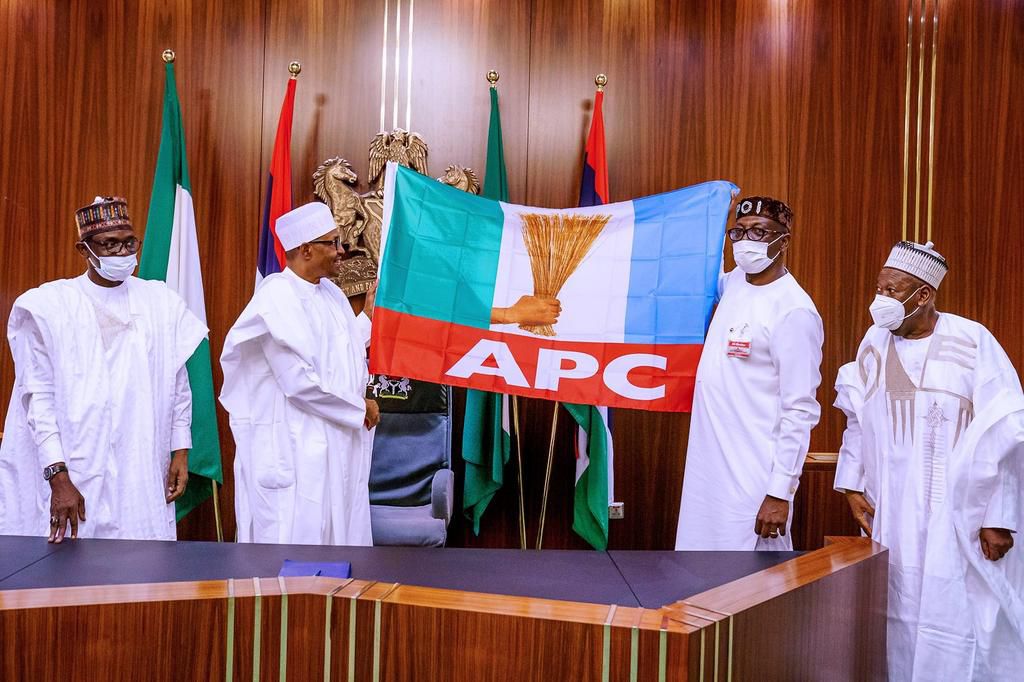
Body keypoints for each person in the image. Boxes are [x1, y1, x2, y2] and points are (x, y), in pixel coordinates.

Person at [834, 240, 1024, 680]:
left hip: (960, 518)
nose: (880, 300)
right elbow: (856, 418)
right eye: (879, 288)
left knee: (960, 615)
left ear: (924, 295)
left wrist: (999, 516)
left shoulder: (973, 341)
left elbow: (1008, 433)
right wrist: (851, 484)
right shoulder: (874, 344)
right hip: (894, 513)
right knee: (899, 617)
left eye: (892, 290)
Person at [0, 196, 206, 542]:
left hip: (139, 463)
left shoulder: (161, 302)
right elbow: (38, 399)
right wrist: (58, 477)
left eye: (128, 242)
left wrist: (180, 450)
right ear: (84, 250)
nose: (122, 253)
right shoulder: (49, 305)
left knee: (140, 565)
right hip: (76, 466)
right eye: (109, 244)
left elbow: (178, 384)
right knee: (71, 572)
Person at [221, 201, 380, 546]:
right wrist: (358, 408)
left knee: (338, 545)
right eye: (333, 243)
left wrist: (367, 317)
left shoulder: (332, 295)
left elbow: (342, 353)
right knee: (296, 546)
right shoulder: (276, 298)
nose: (341, 252)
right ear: (307, 249)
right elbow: (299, 383)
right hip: (295, 447)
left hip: (333, 443)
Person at [675, 196, 823, 550]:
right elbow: (697, 276)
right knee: (698, 575)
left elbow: (800, 410)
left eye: (759, 232)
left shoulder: (794, 311)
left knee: (749, 583)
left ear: (783, 241)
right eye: (739, 232)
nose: (746, 241)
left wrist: (779, 492)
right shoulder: (736, 282)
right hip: (708, 467)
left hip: (753, 472)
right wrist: (709, 209)